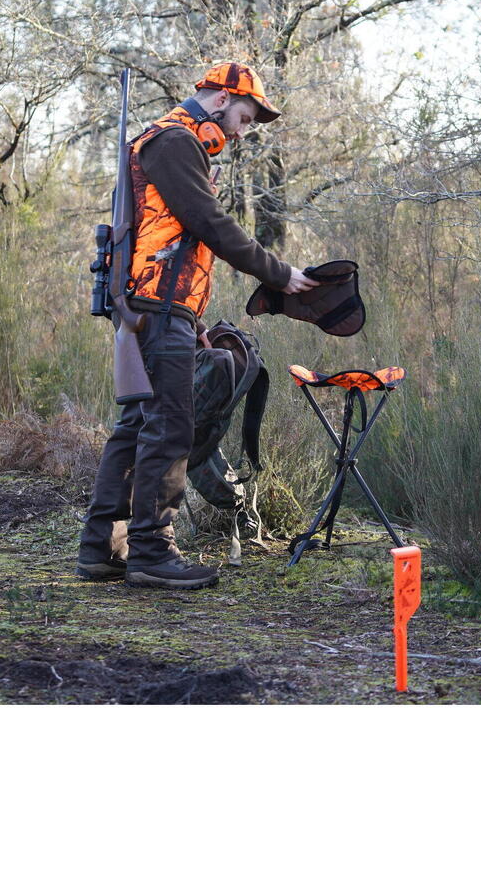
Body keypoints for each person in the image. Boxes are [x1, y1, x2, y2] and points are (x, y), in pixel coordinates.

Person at [77, 62, 318, 590]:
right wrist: (280, 275)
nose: (242, 131)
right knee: (170, 426)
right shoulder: (175, 142)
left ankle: (101, 548)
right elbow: (209, 224)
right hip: (158, 307)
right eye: (244, 117)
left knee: (139, 425)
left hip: (164, 306)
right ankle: (152, 552)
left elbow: (170, 240)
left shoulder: (170, 143)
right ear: (219, 100)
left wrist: (195, 318)